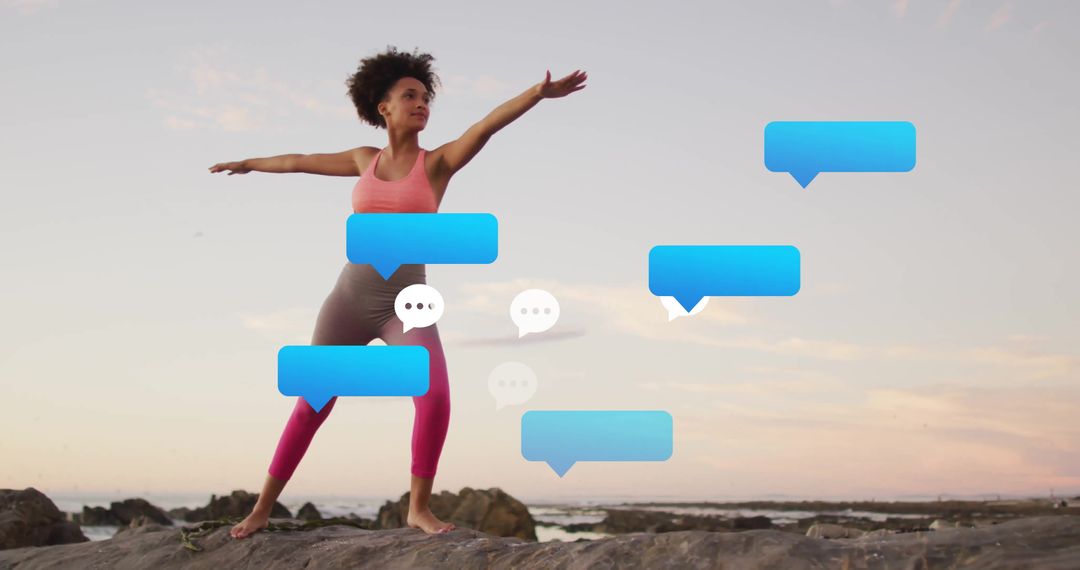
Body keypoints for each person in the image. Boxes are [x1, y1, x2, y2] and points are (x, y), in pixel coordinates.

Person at [208, 45, 586, 539]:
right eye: (410, 95)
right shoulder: (363, 158)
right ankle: (260, 509)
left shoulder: (438, 163)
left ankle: (418, 508)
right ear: (383, 107)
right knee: (312, 404)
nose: (421, 103)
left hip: (404, 306)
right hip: (347, 301)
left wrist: (538, 93)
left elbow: (487, 125)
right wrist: (251, 163)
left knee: (435, 397)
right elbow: (299, 160)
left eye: (426, 97)